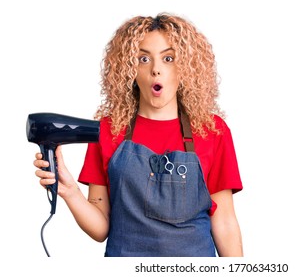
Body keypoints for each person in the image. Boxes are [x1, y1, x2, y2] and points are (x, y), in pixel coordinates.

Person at [33, 13, 243, 257]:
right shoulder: (108, 130)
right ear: (129, 70)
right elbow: (101, 229)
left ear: (185, 67)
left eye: (168, 58)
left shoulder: (211, 130)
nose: (156, 70)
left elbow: (225, 222)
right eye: (144, 59)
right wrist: (69, 190)